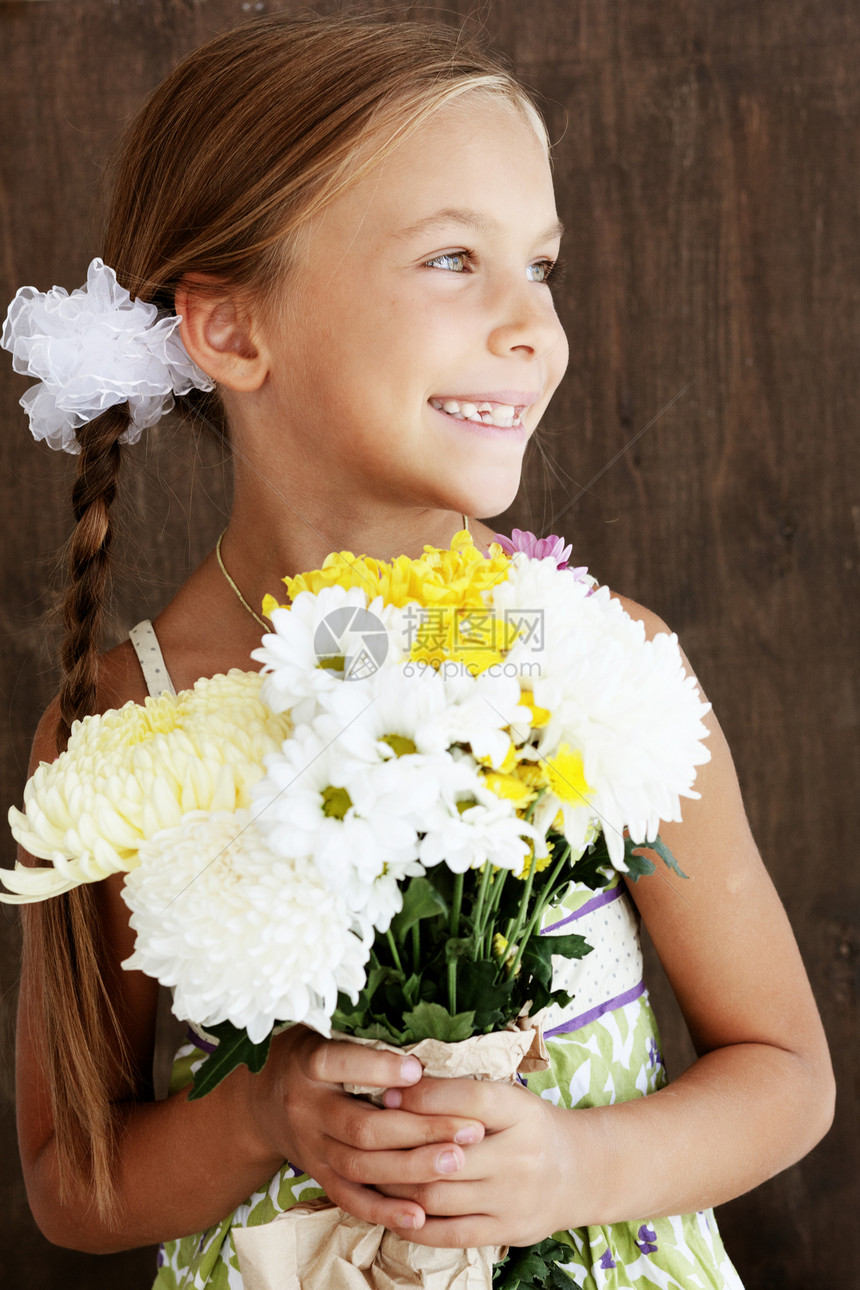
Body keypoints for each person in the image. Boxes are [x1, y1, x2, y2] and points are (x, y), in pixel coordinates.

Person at [4, 12, 833, 1289]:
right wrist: (256, 1118)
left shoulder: (603, 668)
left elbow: (785, 1077)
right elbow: (70, 1187)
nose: (530, 327)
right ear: (229, 333)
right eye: (453, 259)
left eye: (540, 267)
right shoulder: (122, 732)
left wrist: (575, 1168)